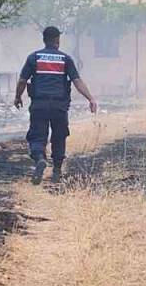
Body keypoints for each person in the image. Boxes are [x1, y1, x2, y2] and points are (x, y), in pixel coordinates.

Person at [15, 26, 98, 183]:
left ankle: (40, 158)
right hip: (59, 106)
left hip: (39, 105)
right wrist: (90, 98)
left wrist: (17, 97)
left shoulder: (33, 58)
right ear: (57, 40)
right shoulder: (65, 59)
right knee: (59, 137)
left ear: (44, 40)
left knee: (37, 136)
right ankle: (57, 171)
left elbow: (22, 81)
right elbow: (77, 81)